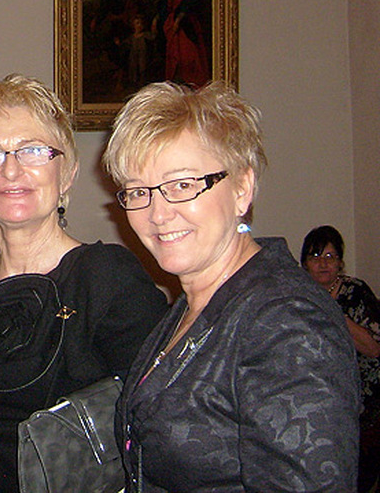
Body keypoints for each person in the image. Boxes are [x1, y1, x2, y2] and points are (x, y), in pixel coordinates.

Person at [103, 81, 360, 491]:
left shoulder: (288, 322)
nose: (158, 213)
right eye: (138, 191)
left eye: (182, 184)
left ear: (243, 188)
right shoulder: (194, 304)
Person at [0, 74, 168, 493]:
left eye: (33, 150)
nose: (11, 169)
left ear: (67, 174)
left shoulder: (107, 278)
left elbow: (162, 433)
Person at [302, 224, 380, 492]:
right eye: (315, 256)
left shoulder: (355, 291)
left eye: (330, 256)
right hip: (318, 395)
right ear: (305, 264)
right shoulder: (299, 294)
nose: (323, 263)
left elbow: (374, 348)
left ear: (340, 262)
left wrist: (334, 313)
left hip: (363, 397)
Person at [157, 0, 209, 88]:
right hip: (172, 28)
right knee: (174, 54)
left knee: (188, 53)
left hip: (185, 26)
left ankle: (193, 81)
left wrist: (178, 21)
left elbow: (188, 5)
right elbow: (165, 9)